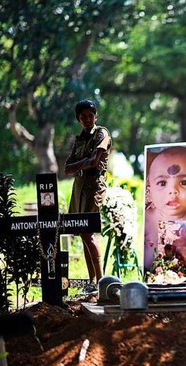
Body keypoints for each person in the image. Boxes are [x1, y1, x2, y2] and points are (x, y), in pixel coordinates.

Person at [65, 99, 112, 285]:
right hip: (79, 187)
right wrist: (84, 162)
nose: (87, 119)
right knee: (82, 233)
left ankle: (101, 281)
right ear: (78, 119)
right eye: (83, 116)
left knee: (87, 233)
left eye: (90, 115)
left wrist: (81, 164)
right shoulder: (80, 139)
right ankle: (92, 281)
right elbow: (66, 168)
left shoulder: (102, 133)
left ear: (96, 116)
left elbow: (94, 161)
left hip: (94, 187)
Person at [144, 146, 186, 271]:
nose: (173, 191)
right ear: (149, 192)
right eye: (162, 183)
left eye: (184, 182)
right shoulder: (147, 219)